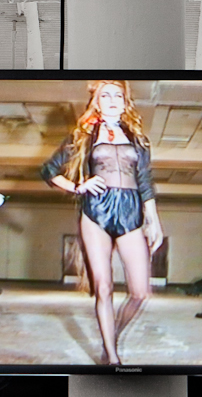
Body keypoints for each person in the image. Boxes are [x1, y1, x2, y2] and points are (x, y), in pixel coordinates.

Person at [40, 79, 164, 366]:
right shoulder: (83, 136)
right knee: (104, 287)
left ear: (125, 102)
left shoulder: (138, 138)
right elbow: (48, 170)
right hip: (96, 211)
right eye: (104, 94)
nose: (111, 99)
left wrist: (153, 220)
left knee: (140, 292)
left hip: (131, 211)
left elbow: (145, 181)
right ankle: (111, 355)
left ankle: (113, 336)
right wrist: (77, 186)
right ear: (96, 101)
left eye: (117, 95)